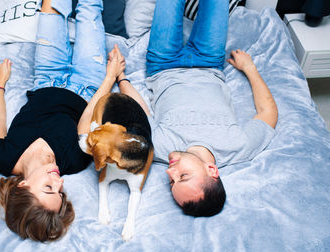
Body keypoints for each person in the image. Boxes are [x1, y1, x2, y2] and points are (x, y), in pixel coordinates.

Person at [0, 0, 125, 241]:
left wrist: (0, 82)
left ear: (23, 186)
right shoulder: (74, 161)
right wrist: (110, 78)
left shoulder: (1, 158)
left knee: (51, 7)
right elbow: (90, 114)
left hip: (46, 77)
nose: (57, 181)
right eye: (60, 191)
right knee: (89, 10)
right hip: (87, 85)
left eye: (48, 187)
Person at [118, 0, 278, 217]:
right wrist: (249, 68)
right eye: (183, 176)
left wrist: (121, 78)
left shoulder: (160, 149)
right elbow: (268, 113)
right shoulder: (239, 146)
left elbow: (138, 108)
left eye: (172, 181)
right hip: (209, 62)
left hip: (163, 64)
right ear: (211, 170)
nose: (170, 171)